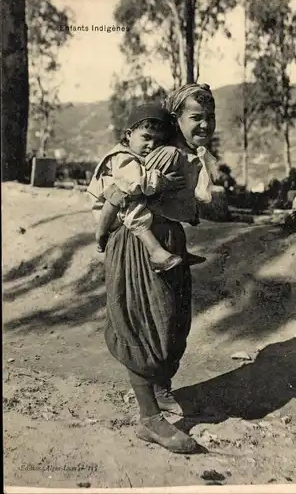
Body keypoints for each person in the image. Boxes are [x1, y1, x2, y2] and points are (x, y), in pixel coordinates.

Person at [102, 83, 216, 454]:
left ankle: (160, 390)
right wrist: (102, 235)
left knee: (171, 322)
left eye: (208, 117)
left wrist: (202, 163)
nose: (204, 124)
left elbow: (205, 203)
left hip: (169, 240)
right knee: (146, 324)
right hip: (141, 244)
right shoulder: (163, 155)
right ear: (177, 118)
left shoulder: (186, 156)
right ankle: (150, 418)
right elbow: (120, 195)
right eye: (195, 117)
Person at [87, 104, 203, 273]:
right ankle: (155, 251)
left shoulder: (140, 155)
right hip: (110, 210)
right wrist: (163, 182)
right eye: (146, 138)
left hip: (120, 201)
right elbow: (136, 181)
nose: (151, 145)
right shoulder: (121, 157)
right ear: (129, 135)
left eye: (158, 141)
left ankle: (180, 250)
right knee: (133, 202)